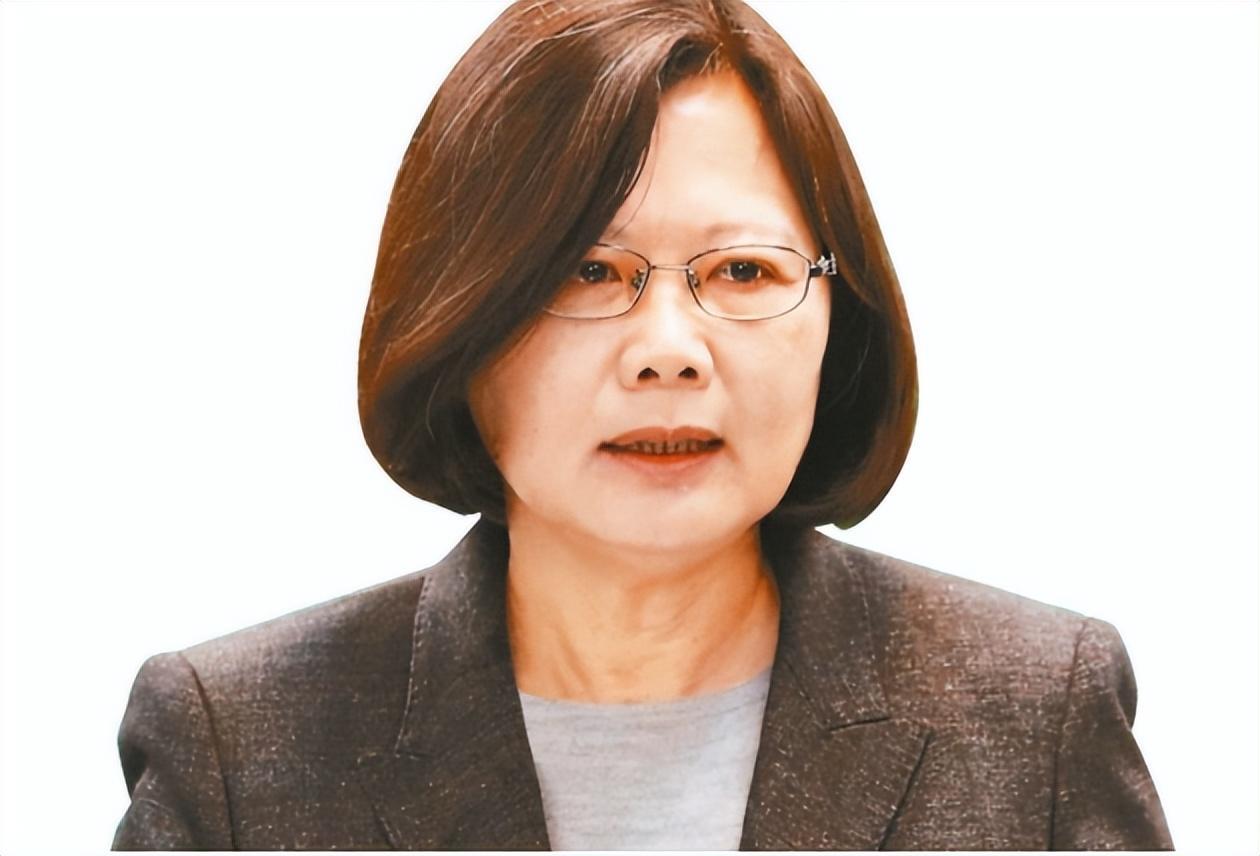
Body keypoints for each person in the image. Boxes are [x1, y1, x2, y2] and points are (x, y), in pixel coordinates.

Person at [111, 0, 1173, 850]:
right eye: (588, 271)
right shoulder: (237, 749)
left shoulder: (1035, 712)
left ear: (836, 319)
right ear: (461, 319)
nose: (670, 349)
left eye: (744, 270)